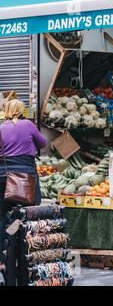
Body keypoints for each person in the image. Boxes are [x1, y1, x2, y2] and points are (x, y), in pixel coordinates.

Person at [0, 99, 46, 269]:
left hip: (4, 177)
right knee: (30, 212)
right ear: (22, 111)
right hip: (26, 178)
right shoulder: (28, 125)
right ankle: (27, 253)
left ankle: (3, 258)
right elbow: (43, 143)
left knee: (3, 216)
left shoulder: (1, 128)